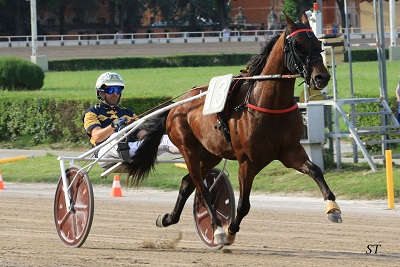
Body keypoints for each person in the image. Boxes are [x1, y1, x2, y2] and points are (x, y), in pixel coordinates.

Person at [83, 72, 180, 168]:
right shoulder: (92, 112)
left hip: (132, 148)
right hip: (105, 152)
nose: (115, 94)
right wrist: (114, 126)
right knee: (117, 136)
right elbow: (97, 136)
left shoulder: (128, 112)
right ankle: (124, 149)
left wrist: (152, 136)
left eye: (118, 90)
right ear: (101, 93)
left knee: (163, 140)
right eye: (111, 90)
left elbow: (143, 135)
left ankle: (191, 147)